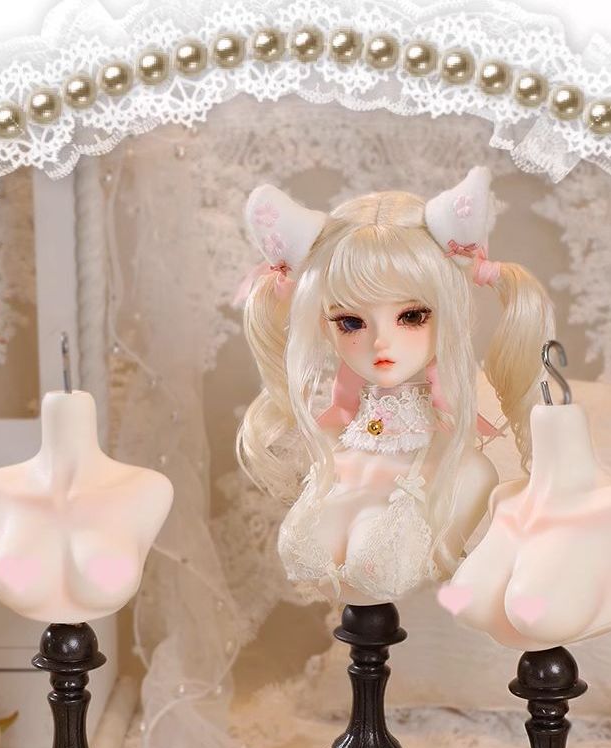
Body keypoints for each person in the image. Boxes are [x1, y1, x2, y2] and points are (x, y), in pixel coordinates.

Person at [236, 166, 556, 606]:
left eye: (411, 316)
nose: (380, 342)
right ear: (325, 325)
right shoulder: (328, 448)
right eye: (351, 322)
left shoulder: (466, 473)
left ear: (448, 313)